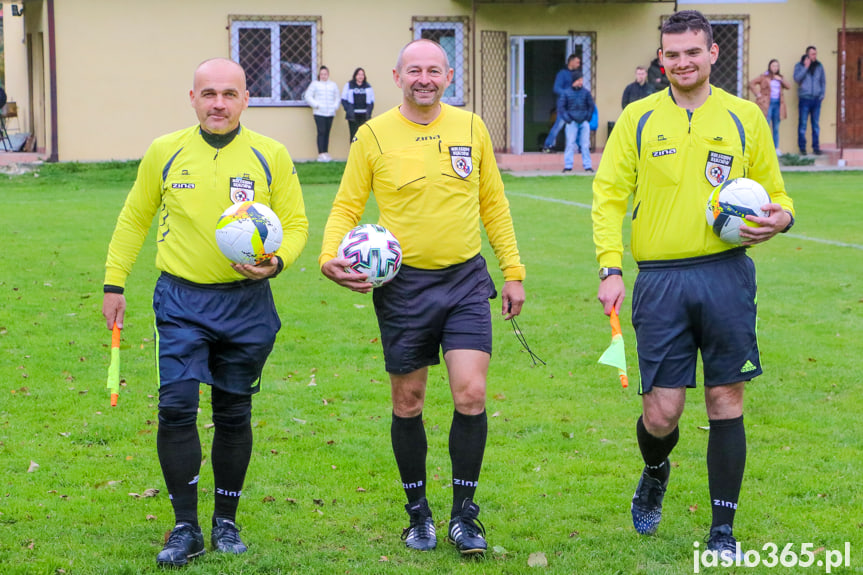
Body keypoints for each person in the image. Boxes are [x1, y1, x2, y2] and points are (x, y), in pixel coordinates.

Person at [592, 10, 795, 559]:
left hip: (726, 274)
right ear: (662, 58)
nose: (681, 62)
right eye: (671, 54)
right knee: (662, 413)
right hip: (659, 280)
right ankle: (655, 470)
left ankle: (723, 531)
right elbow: (609, 197)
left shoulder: (744, 117)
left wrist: (782, 218)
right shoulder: (636, 118)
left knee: (725, 397)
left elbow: (776, 194)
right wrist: (611, 266)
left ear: (713, 54)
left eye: (691, 52)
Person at [319, 39, 525, 556]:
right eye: (415, 71)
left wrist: (514, 271)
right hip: (403, 287)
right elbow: (347, 205)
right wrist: (328, 257)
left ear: (448, 76)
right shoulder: (373, 135)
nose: (424, 79)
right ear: (397, 76)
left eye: (434, 70)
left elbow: (494, 205)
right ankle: (418, 516)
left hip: (465, 282)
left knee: (471, 394)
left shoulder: (471, 128)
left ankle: (464, 515)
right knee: (408, 401)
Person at [102, 58, 308, 567]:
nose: (219, 103)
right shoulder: (165, 152)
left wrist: (278, 261)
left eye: (230, 94)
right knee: (175, 407)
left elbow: (298, 223)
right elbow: (135, 217)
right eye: (209, 93)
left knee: (234, 412)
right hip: (181, 301)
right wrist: (114, 282)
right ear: (192, 98)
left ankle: (227, 523)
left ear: (246, 99)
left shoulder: (270, 155)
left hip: (246, 304)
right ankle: (185, 527)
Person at [749, 59, 791, 154]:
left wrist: (781, 80)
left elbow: (788, 86)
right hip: (767, 104)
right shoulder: (764, 76)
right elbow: (751, 83)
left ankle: (776, 148)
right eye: (773, 66)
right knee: (765, 125)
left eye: (777, 66)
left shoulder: (779, 78)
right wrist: (758, 95)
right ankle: (764, 147)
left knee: (776, 126)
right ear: (769, 66)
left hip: (778, 104)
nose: (775, 68)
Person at [542, 54, 581, 153]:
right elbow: (556, 88)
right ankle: (548, 145)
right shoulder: (562, 74)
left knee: (576, 125)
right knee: (559, 125)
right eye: (577, 62)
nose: (579, 64)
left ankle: (577, 146)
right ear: (571, 62)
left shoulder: (577, 74)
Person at [559, 71, 595, 174]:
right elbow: (562, 108)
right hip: (572, 122)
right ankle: (568, 166)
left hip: (583, 121)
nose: (581, 82)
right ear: (574, 81)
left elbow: (591, 106)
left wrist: (587, 118)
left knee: (585, 144)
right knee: (570, 144)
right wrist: (568, 119)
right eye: (579, 80)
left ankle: (588, 166)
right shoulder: (566, 93)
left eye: (581, 80)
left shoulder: (586, 93)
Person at [304, 65, 341, 162]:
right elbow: (308, 96)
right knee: (321, 132)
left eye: (325, 74)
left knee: (327, 133)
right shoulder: (315, 84)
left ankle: (326, 152)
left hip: (330, 113)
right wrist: (316, 105)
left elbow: (337, 97)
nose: (323, 76)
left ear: (328, 74)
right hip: (319, 113)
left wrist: (335, 107)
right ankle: (321, 153)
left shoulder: (333, 85)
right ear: (319, 75)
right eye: (321, 74)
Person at [793, 46, 826, 155]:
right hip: (805, 99)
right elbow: (797, 78)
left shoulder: (819, 66)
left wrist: (822, 94)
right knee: (802, 124)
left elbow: (823, 81)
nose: (814, 56)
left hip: (816, 99)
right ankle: (802, 148)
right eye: (812, 54)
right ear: (807, 54)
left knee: (815, 125)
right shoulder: (799, 66)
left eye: (815, 54)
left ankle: (816, 148)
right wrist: (805, 67)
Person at [342, 67, 375, 143]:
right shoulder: (349, 85)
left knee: (364, 135)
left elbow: (372, 101)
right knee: (354, 135)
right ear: (355, 75)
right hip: (353, 116)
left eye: (362, 74)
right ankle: (354, 153)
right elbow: (343, 99)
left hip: (364, 115)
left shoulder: (367, 86)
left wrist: (369, 111)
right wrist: (348, 110)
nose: (360, 76)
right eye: (358, 74)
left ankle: (362, 154)